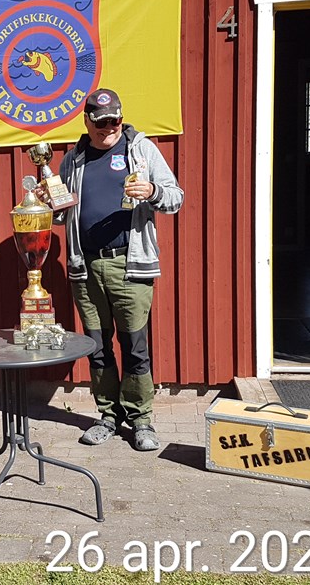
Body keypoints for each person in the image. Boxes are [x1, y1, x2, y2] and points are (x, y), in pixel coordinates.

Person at [51, 88, 183, 451]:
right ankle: (108, 416)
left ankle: (141, 420)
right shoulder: (73, 160)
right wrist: (52, 206)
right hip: (85, 266)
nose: (108, 128)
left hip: (130, 264)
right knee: (97, 346)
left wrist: (152, 190)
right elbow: (62, 216)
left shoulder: (140, 149)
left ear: (121, 119)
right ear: (87, 121)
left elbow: (175, 198)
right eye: (101, 122)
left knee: (134, 346)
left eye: (114, 121)